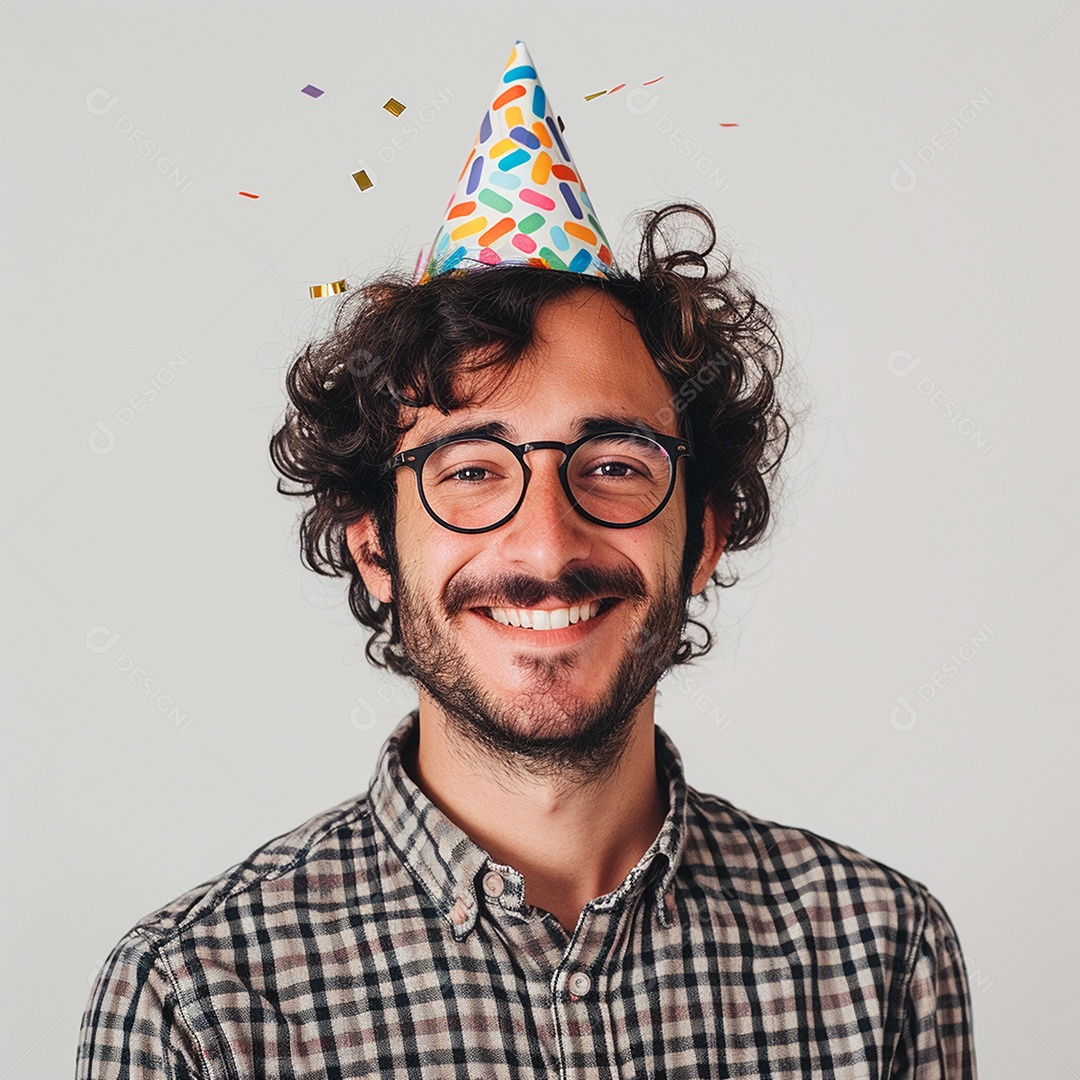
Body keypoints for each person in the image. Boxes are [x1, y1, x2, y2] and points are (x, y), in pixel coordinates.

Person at [77, 41, 976, 1078]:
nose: (546, 544)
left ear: (705, 537)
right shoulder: (198, 1004)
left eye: (613, 464)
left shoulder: (881, 958)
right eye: (468, 470)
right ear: (374, 546)